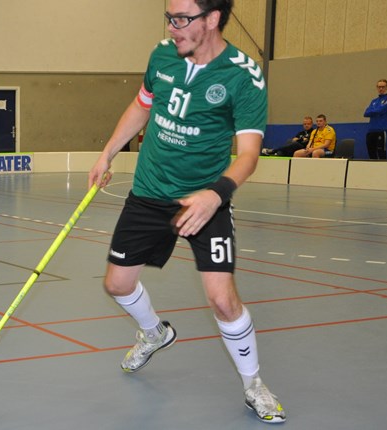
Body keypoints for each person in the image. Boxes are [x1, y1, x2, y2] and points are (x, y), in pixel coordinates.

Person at [87, 0, 285, 424]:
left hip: (205, 197)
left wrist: (217, 194)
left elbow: (248, 154)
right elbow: (142, 105)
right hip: (149, 191)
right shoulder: (162, 55)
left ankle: (254, 384)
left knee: (222, 300)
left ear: (212, 19)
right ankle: (155, 332)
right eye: (170, 18)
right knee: (117, 285)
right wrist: (108, 152)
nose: (173, 28)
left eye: (182, 19)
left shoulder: (244, 76)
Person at [364, 79, 387, 160]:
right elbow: (366, 113)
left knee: (381, 154)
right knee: (371, 154)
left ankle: (384, 171)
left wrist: (373, 111)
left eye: (383, 87)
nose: (381, 89)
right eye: (379, 87)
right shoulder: (374, 101)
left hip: (381, 130)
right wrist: (376, 110)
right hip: (371, 131)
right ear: (377, 88)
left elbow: (380, 110)